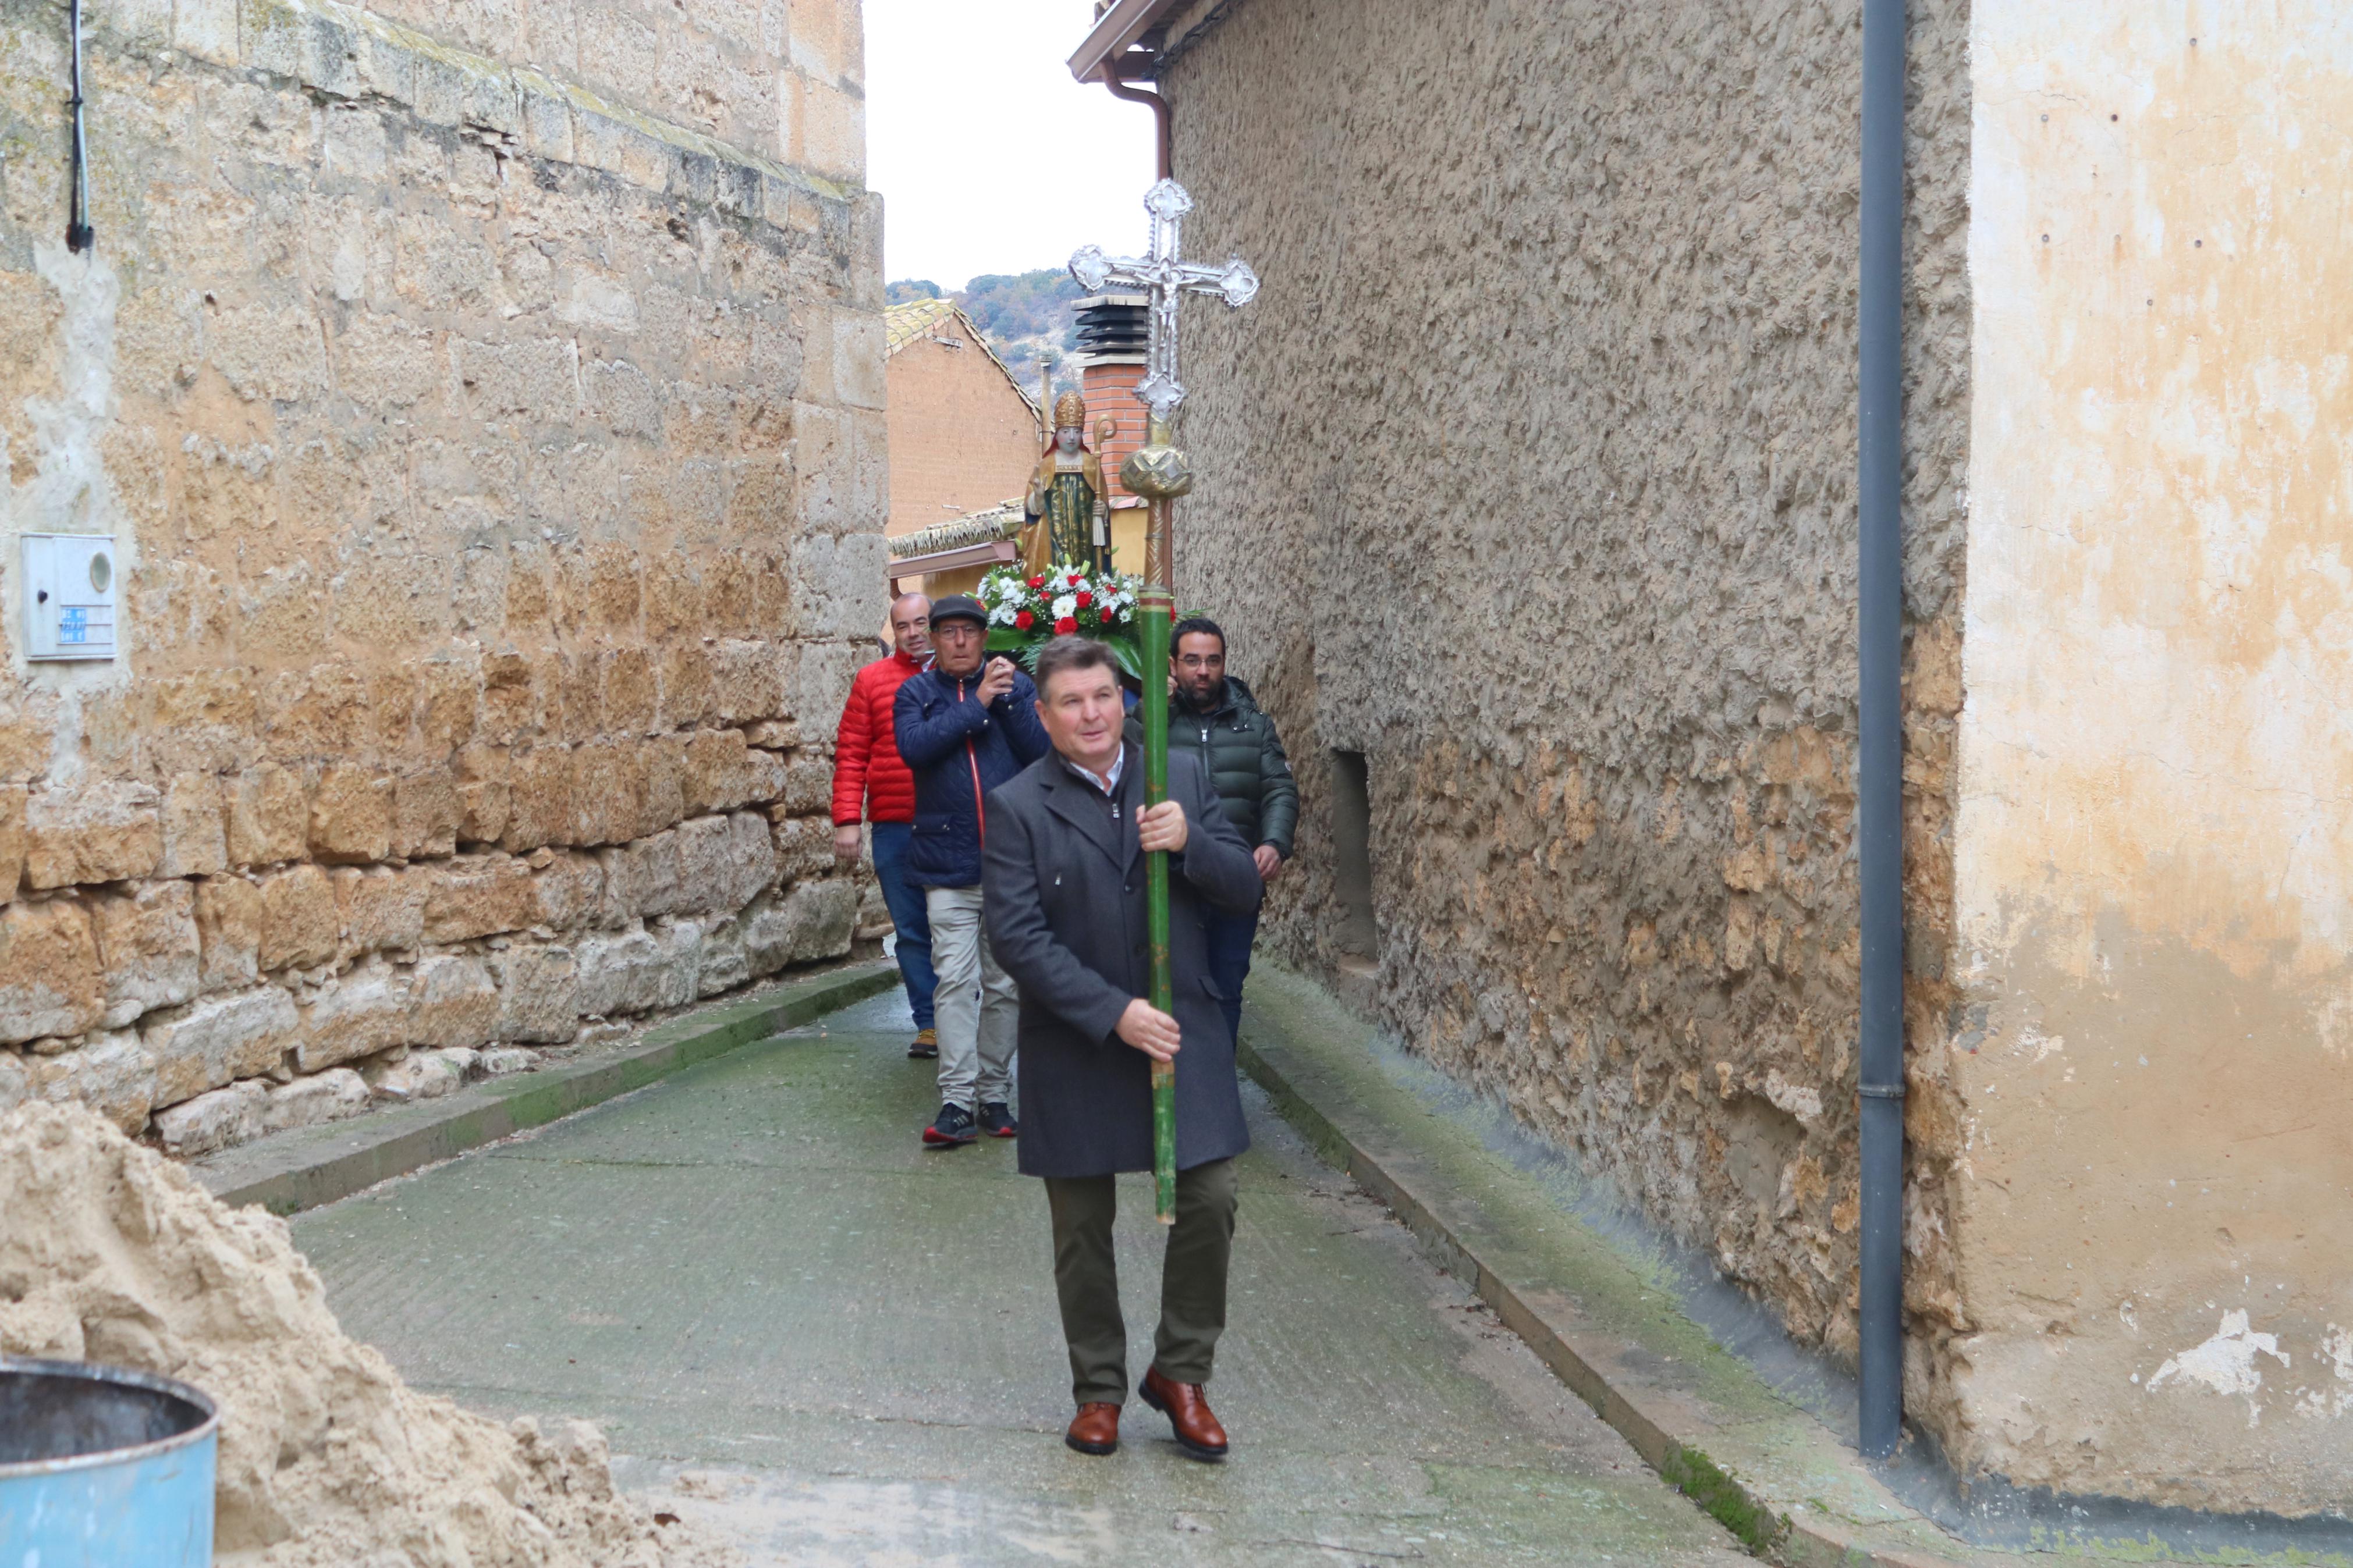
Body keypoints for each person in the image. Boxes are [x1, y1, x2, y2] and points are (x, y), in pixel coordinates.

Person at [984, 636, 1263, 1463]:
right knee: (1080, 1224)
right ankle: (1098, 1387)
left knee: (1211, 1194)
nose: (1091, 713)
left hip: (1182, 1029)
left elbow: (1242, 889)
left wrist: (1192, 843)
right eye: (1070, 702)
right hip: (1079, 1039)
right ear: (1044, 715)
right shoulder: (1015, 804)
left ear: (1124, 699)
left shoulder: (1174, 777)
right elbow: (1017, 937)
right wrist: (1113, 1013)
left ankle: (1179, 1372)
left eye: (1102, 695)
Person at [893, 593, 1050, 1148]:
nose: (959, 641)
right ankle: (956, 1100)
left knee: (1005, 983)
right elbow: (915, 749)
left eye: (969, 631)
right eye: (948, 632)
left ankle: (993, 1096)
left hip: (1010, 863)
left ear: (985, 638)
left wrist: (1003, 700)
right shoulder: (915, 692)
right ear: (932, 641)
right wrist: (978, 702)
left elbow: (1041, 753)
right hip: (945, 864)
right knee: (955, 981)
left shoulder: (1017, 689)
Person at [1124, 616, 1297, 1048]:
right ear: (1172, 665)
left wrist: (1274, 843)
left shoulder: (1254, 725)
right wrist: (1149, 709)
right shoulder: (1153, 720)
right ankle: (1178, 1090)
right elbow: (1122, 770)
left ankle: (1217, 1093)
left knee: (1226, 987)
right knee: (1171, 989)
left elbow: (1278, 787)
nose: (1203, 671)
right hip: (1171, 880)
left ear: (1224, 664)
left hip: (1233, 879)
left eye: (1212, 660)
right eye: (1192, 660)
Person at [833, 593, 938, 1058]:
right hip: (894, 825)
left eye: (921, 622)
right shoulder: (871, 681)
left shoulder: (960, 679)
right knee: (912, 929)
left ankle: (964, 1012)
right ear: (893, 632)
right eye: (903, 626)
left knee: (960, 926)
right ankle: (930, 1023)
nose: (913, 632)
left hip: (951, 824)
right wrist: (846, 821)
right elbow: (852, 753)